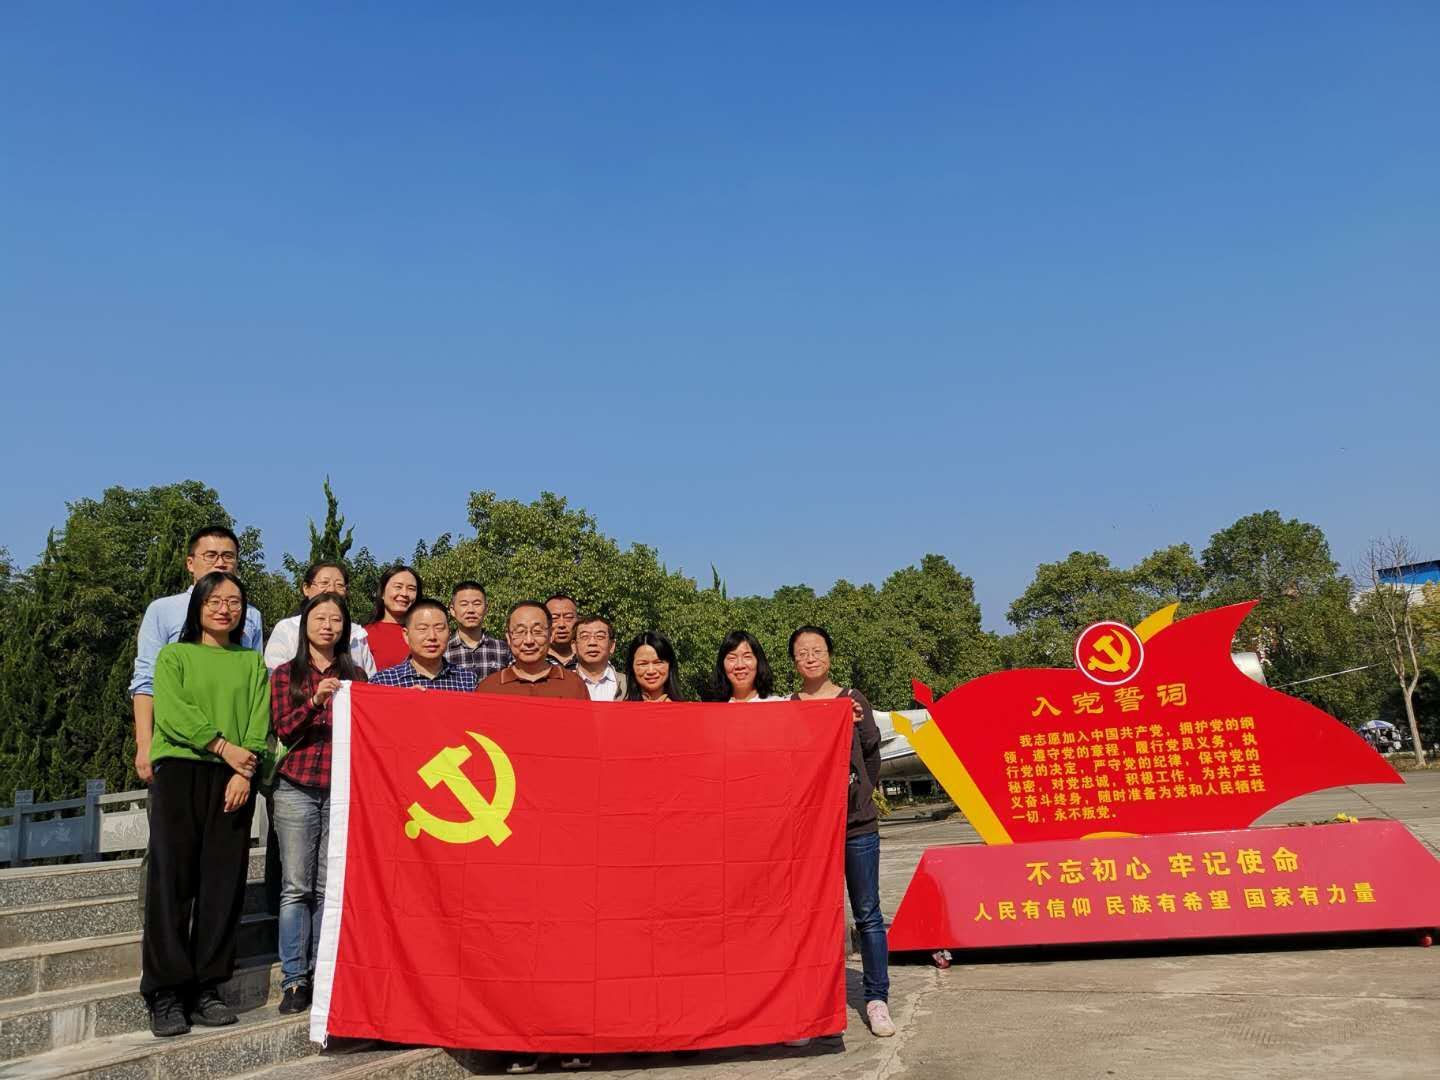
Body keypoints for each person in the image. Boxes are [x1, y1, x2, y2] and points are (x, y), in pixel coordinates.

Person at [140, 571, 270, 1038]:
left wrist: (242, 769)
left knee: (223, 883)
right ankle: (165, 992)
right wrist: (222, 747)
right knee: (172, 881)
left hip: (234, 778)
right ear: (197, 605)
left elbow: (259, 718)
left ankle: (207, 987)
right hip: (181, 771)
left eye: (234, 602)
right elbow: (173, 714)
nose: (224, 609)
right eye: (214, 600)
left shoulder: (251, 662)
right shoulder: (175, 655)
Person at [790, 624, 893, 1038]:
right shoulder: (791, 706)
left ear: (830, 655)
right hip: (814, 830)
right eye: (802, 652)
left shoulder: (852, 700)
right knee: (816, 917)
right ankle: (819, 1005)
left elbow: (871, 754)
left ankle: (877, 998)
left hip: (857, 826)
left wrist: (861, 795)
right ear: (794, 661)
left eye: (817, 650)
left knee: (867, 913)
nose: (810, 657)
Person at [269, 592, 368, 1015]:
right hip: (296, 786)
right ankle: (294, 978)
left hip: (342, 790)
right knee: (295, 887)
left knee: (330, 887)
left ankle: (322, 972)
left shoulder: (357, 675)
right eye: (320, 618)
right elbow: (284, 729)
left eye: (336, 619)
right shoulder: (286, 674)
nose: (328, 625)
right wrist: (315, 702)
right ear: (305, 624)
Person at [131, 527, 264, 785]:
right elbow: (146, 681)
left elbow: (255, 691)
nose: (220, 563)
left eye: (228, 556)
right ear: (190, 563)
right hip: (179, 750)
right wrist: (144, 744)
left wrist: (248, 759)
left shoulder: (250, 615)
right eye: (210, 555)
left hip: (235, 755)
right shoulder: (163, 610)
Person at [263, 561, 376, 676]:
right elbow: (274, 675)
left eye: (339, 585)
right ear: (306, 588)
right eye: (324, 583)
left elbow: (370, 679)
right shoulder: (287, 628)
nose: (332, 589)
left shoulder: (357, 633)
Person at [476, 600, 589, 700]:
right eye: (520, 631)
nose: (529, 641)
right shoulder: (488, 688)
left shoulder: (574, 685)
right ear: (508, 638)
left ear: (550, 635)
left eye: (537, 631)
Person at [371, 599, 479, 691]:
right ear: (406, 635)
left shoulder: (468, 681)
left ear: (449, 634)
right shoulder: (383, 682)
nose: (432, 636)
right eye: (422, 629)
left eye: (439, 628)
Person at [444, 580, 512, 680]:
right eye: (464, 604)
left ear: (486, 608)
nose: (471, 610)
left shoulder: (503, 649)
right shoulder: (443, 651)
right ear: (452, 610)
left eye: (477, 604)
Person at [364, 565, 422, 671]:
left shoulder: (426, 633)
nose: (404, 593)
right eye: (398, 587)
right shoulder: (364, 635)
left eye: (411, 589)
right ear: (382, 592)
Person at [714, 630, 778, 702]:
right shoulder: (713, 707)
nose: (740, 665)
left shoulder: (777, 704)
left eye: (747, 657)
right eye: (732, 658)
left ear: (758, 661)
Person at [573, 615, 627, 701]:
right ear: (574, 646)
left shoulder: (629, 685)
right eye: (585, 636)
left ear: (612, 645)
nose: (592, 642)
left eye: (600, 636)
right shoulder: (562, 683)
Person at [623, 632, 684, 702]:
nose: (651, 671)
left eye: (658, 663)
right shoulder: (620, 708)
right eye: (643, 664)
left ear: (670, 665)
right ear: (632, 667)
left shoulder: (687, 708)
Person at [544, 593, 580, 668]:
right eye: (554, 618)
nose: (562, 625)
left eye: (568, 617)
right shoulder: (534, 659)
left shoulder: (589, 657)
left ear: (578, 620)